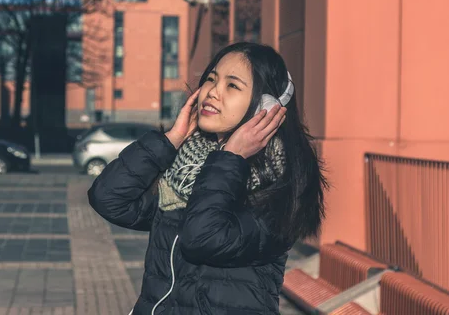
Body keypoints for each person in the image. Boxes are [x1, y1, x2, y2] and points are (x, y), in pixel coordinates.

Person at [88, 42, 327, 314]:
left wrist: (231, 157)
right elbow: (108, 198)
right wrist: (170, 140)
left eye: (232, 86)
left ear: (266, 108)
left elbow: (202, 238)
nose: (213, 92)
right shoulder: (184, 175)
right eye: (211, 79)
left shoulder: (277, 186)